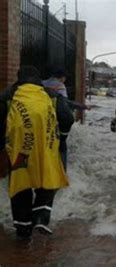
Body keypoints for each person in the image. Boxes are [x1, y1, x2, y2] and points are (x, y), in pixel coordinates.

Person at [0, 66, 70, 240]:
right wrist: (61, 139)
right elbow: (67, 118)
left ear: (19, 78)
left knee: (20, 185)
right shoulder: (50, 94)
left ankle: (23, 230)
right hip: (45, 148)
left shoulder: (8, 94)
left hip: (18, 150)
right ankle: (40, 217)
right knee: (47, 177)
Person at [42, 68, 88, 170]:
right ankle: (62, 170)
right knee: (61, 144)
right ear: (62, 77)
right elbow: (64, 103)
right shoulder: (60, 86)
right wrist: (83, 106)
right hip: (57, 119)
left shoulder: (42, 83)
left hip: (43, 119)